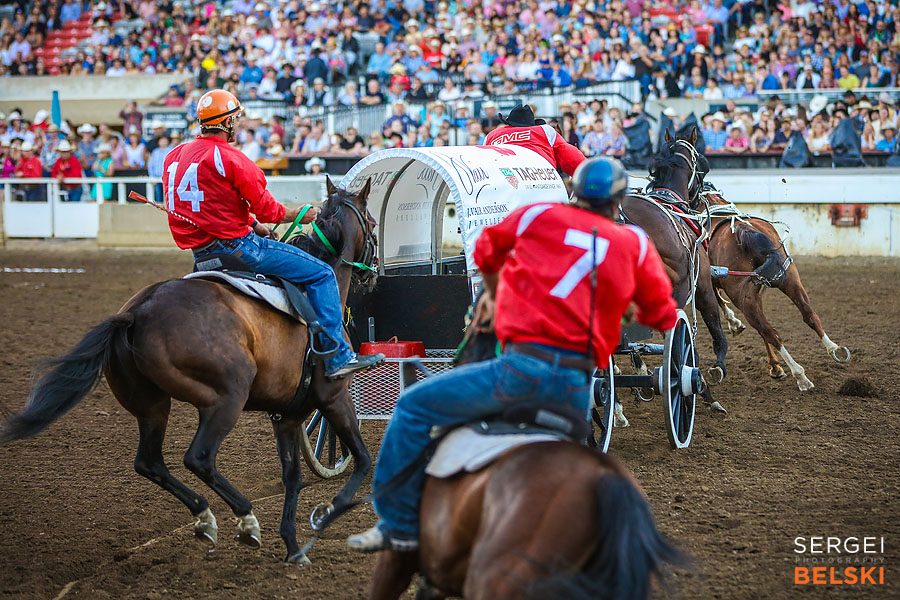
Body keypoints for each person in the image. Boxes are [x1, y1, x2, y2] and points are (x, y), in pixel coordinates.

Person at [347, 157, 679, 552]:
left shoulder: (538, 215)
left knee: (413, 407)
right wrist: (624, 306)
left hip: (519, 371)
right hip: (575, 389)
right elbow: (663, 316)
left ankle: (398, 523)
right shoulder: (636, 243)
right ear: (618, 200)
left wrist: (491, 291)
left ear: (573, 190)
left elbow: (486, 251)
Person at [164, 89, 383, 380]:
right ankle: (338, 356)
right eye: (237, 119)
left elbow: (212, 202)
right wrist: (298, 214)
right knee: (322, 274)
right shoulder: (232, 158)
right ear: (227, 123)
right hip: (239, 248)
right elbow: (268, 209)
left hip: (202, 255)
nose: (239, 124)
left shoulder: (174, 156)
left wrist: (251, 224)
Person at [483, 104, 586, 176]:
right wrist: (589, 173)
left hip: (502, 179)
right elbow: (571, 157)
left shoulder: (492, 135)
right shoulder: (545, 131)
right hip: (541, 177)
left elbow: (482, 161)